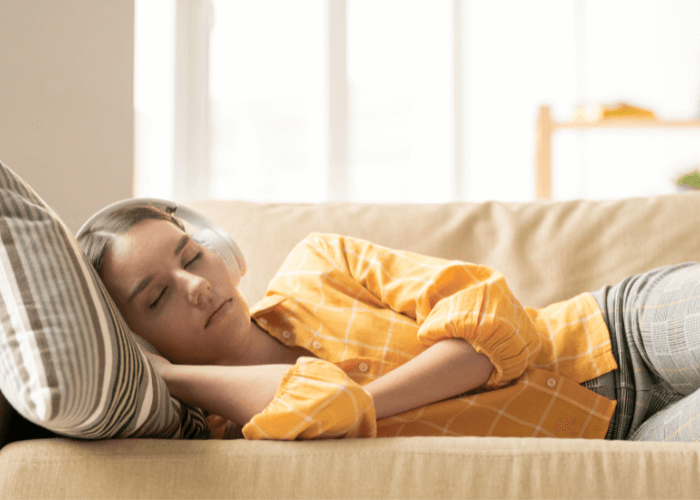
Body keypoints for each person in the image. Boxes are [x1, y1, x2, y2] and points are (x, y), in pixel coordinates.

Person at [77, 205, 700, 442]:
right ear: (135, 335)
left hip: (617, 330)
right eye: (157, 298)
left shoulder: (318, 263)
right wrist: (169, 376)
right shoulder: (232, 432)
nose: (196, 287)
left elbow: (486, 312)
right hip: (614, 445)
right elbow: (315, 405)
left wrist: (363, 407)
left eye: (192, 256)